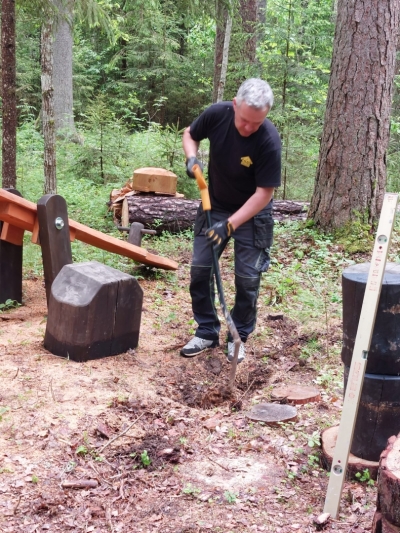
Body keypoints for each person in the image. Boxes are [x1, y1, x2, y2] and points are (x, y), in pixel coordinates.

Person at [180, 78, 281, 363]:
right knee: (200, 270)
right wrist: (192, 158)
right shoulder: (217, 114)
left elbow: (264, 194)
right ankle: (207, 331)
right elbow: (190, 134)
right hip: (215, 205)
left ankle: (238, 337)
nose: (249, 128)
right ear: (235, 105)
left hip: (253, 215)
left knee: (247, 280)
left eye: (256, 123)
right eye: (245, 120)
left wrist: (230, 225)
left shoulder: (269, 141)